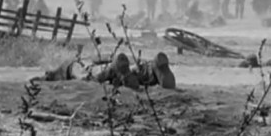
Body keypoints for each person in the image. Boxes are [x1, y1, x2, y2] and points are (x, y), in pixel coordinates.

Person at [38, 52, 176, 90]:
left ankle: (113, 69)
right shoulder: (73, 62)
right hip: (98, 64)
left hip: (79, 66)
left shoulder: (68, 66)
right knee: (129, 73)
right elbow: (99, 58)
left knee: (87, 76)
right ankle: (149, 70)